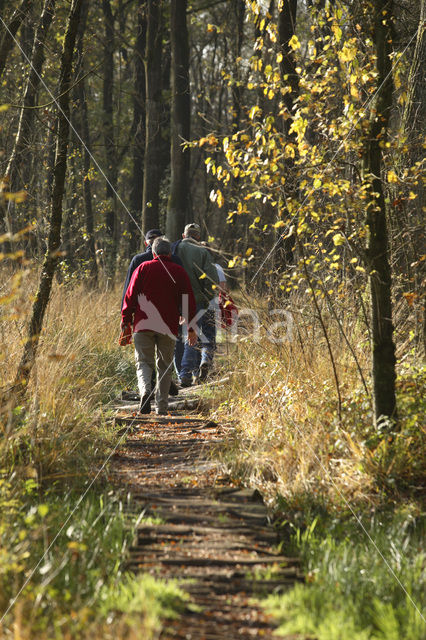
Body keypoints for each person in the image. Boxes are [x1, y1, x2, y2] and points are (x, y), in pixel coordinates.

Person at [120, 237, 197, 415]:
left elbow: (129, 297)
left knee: (143, 363)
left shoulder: (142, 268)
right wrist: (191, 327)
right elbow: (187, 302)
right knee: (164, 365)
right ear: (170, 253)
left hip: (142, 325)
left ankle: (145, 390)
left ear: (153, 253)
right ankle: (161, 407)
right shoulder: (179, 272)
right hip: (168, 327)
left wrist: (126, 321)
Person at [122, 228, 183, 396]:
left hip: (143, 320)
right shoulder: (175, 260)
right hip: (169, 319)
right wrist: (184, 314)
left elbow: (129, 290)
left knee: (144, 359)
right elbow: (183, 290)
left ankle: (147, 388)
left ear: (146, 243)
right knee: (165, 358)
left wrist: (125, 317)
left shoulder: (138, 261)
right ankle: (165, 386)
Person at [175, 223, 218, 386]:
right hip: (196, 301)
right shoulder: (202, 251)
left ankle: (179, 372)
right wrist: (206, 299)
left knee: (177, 338)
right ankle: (186, 372)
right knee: (192, 338)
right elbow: (211, 280)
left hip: (176, 300)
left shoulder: (174, 249)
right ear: (198, 237)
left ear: (183, 235)